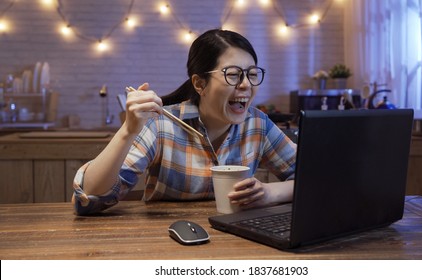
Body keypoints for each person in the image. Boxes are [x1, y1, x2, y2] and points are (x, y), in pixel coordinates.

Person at [72, 29, 297, 215]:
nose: (246, 84)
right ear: (200, 84)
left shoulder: (257, 124)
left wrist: (269, 193)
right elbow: (89, 199)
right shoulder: (161, 125)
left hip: (239, 243)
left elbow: (317, 177)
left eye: (252, 74)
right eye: (233, 74)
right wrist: (127, 131)